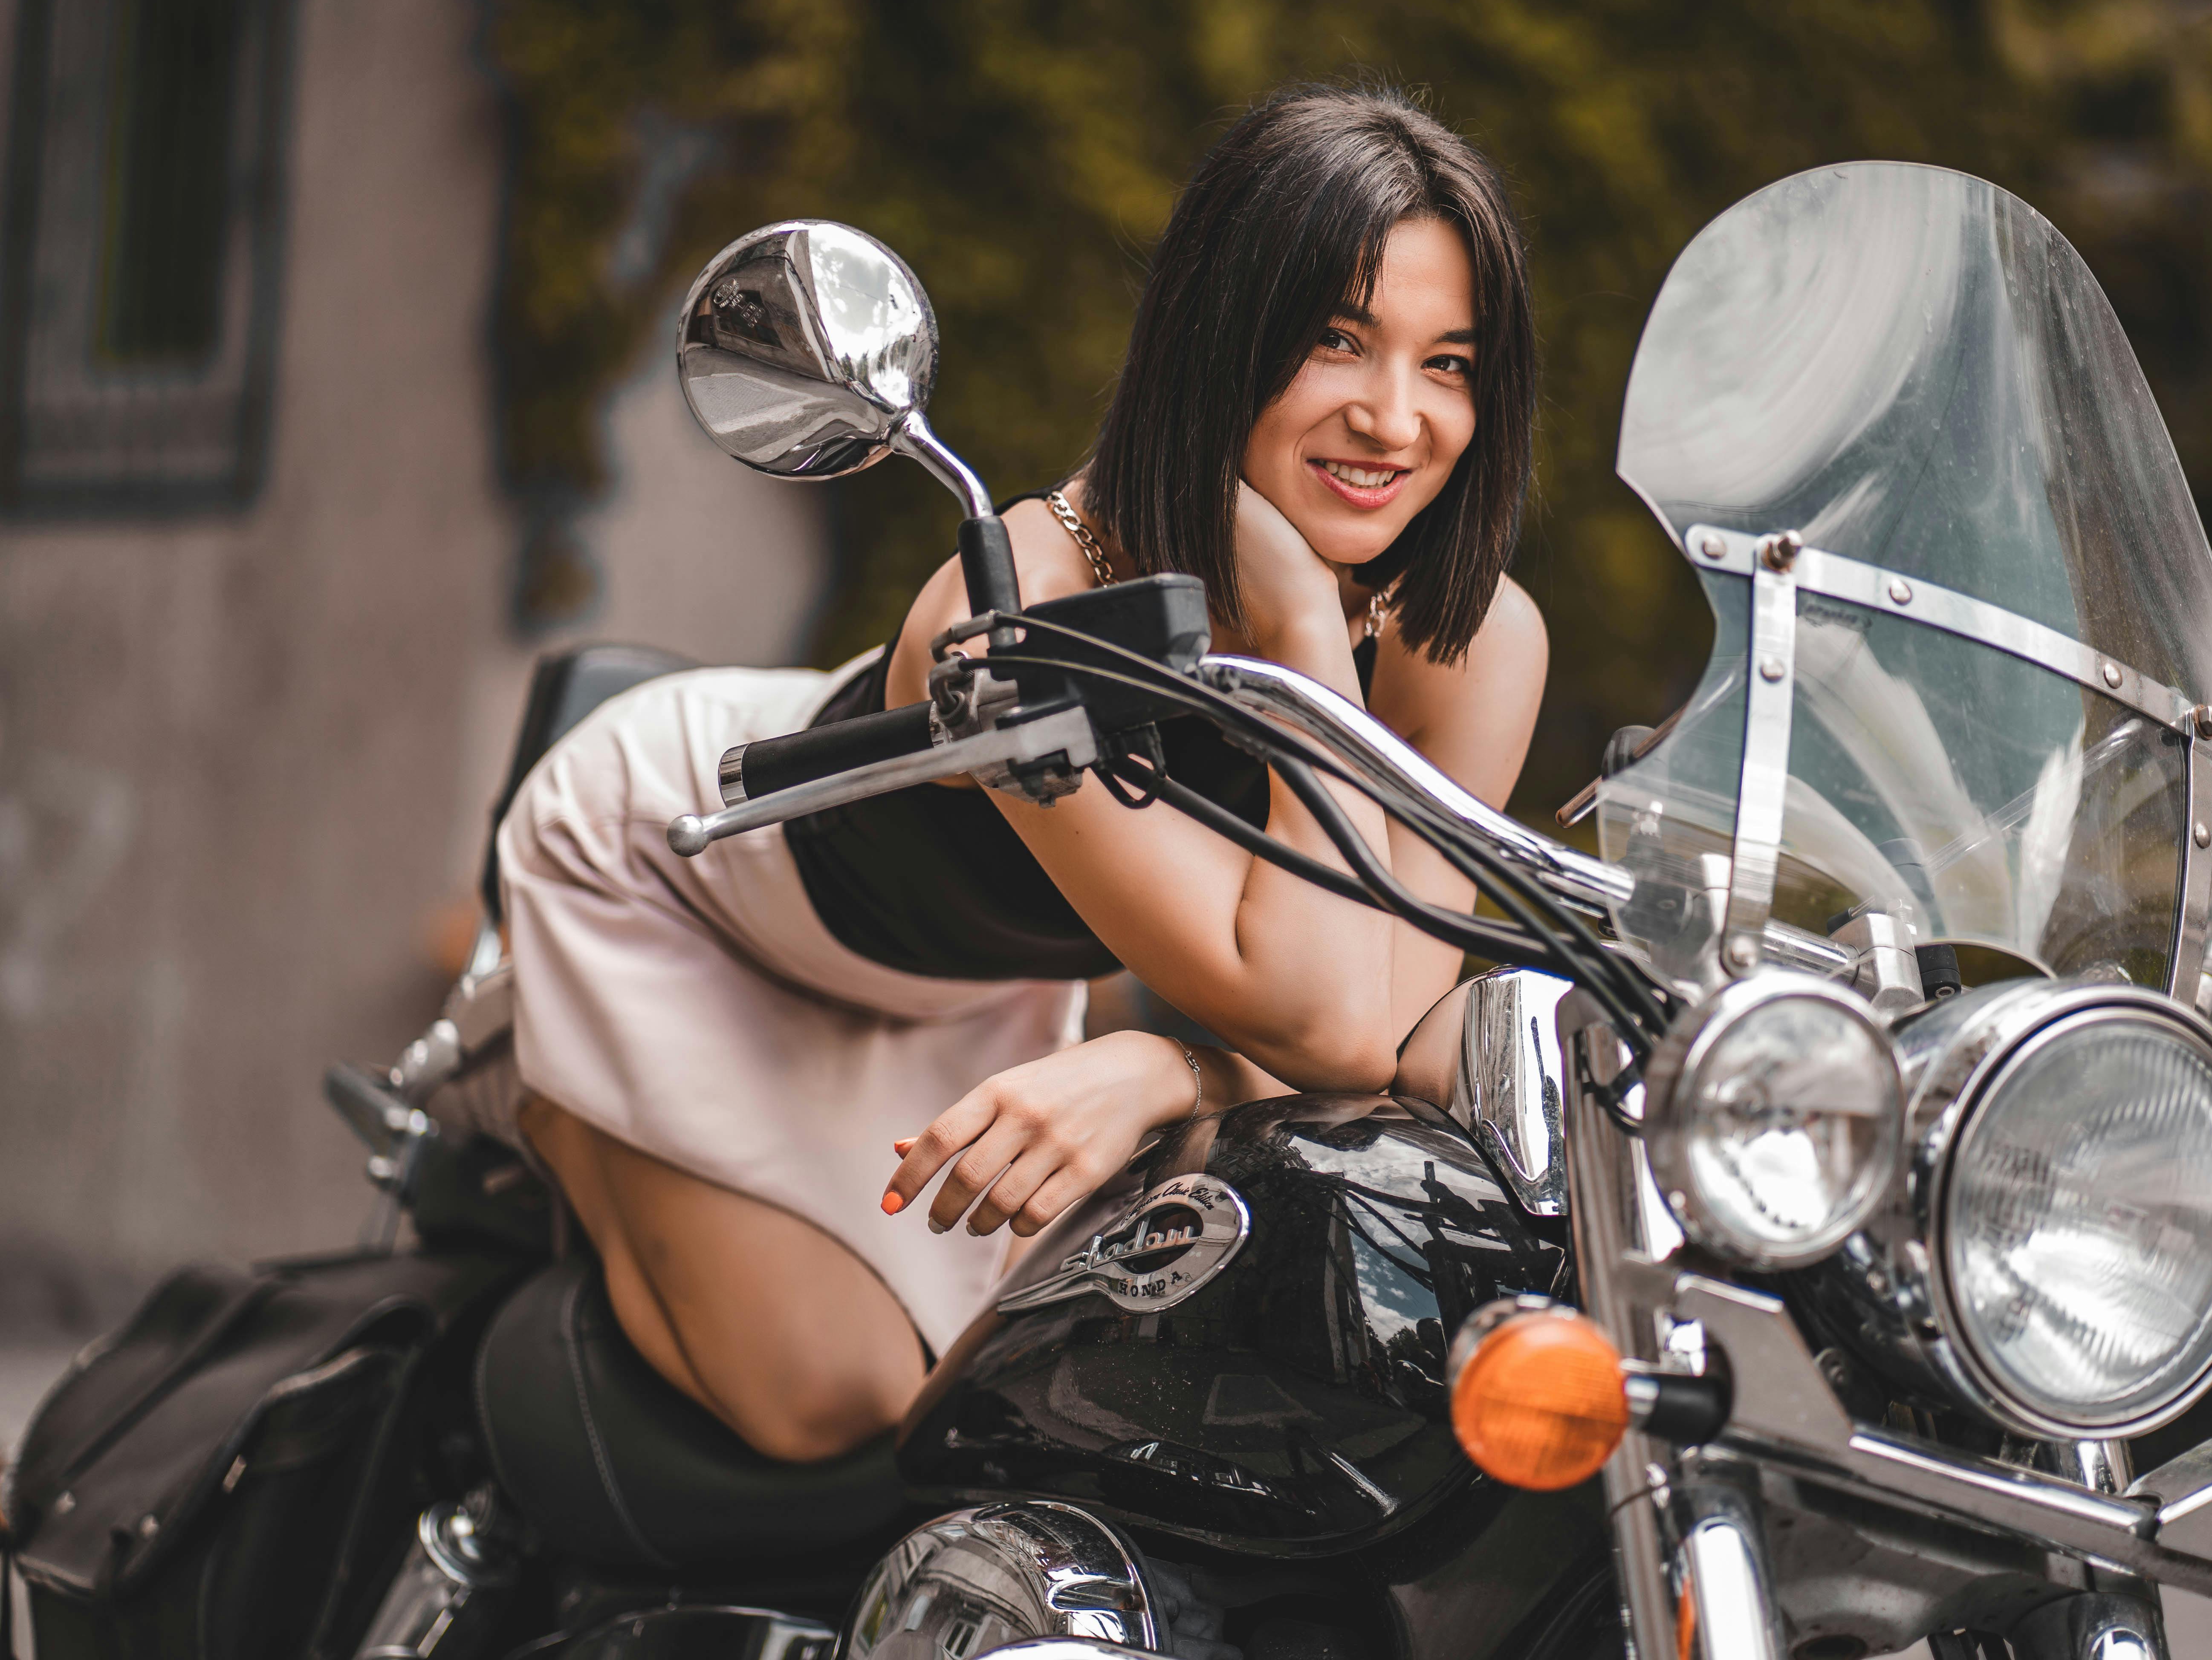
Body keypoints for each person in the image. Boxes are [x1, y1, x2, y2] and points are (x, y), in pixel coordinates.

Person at [493, 84, 1549, 1464]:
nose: (1395, 419)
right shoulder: (1020, 616)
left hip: (965, 981)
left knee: (1018, 1390)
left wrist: (1164, 1067)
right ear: (1217, 341)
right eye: (1336, 343)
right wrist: (1296, 624)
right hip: (688, 877)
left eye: (1451, 364)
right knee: (840, 1409)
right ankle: (546, 1102)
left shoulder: (1472, 639)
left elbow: (1372, 1042)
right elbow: (1322, 1026)